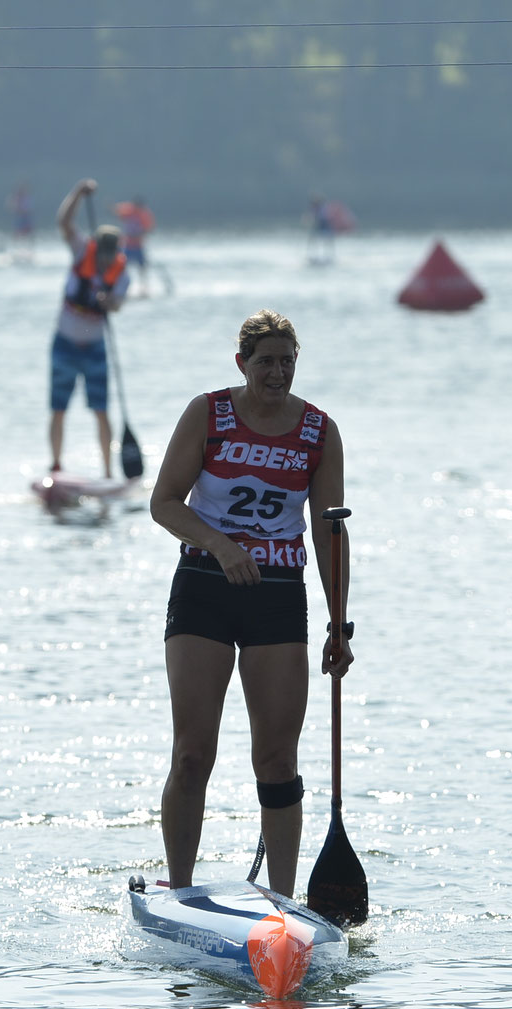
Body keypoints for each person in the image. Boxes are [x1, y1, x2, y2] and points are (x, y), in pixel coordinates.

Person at [149, 309, 351, 898]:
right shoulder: (208, 413)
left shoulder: (318, 431)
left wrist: (340, 624)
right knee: (192, 754)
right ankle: (181, 892)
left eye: (287, 361)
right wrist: (220, 545)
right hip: (204, 589)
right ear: (243, 364)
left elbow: (329, 532)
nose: (278, 372)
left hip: (279, 596)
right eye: (266, 361)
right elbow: (165, 503)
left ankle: (284, 907)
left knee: (277, 760)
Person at [48, 178, 131, 475]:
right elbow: (64, 222)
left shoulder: (121, 273)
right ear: (97, 248)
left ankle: (108, 472)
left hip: (95, 347)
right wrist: (78, 193)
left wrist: (108, 301)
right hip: (65, 343)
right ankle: (56, 465)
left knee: (101, 410)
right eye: (104, 254)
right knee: (58, 408)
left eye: (112, 255)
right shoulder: (83, 250)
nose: (107, 260)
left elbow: (118, 305)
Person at [116, 197, 156, 296]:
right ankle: (121, 285)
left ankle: (144, 287)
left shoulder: (144, 215)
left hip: (138, 245)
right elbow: (118, 212)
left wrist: (139, 234)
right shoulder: (129, 211)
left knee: (142, 267)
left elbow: (149, 229)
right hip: (127, 245)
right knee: (122, 266)